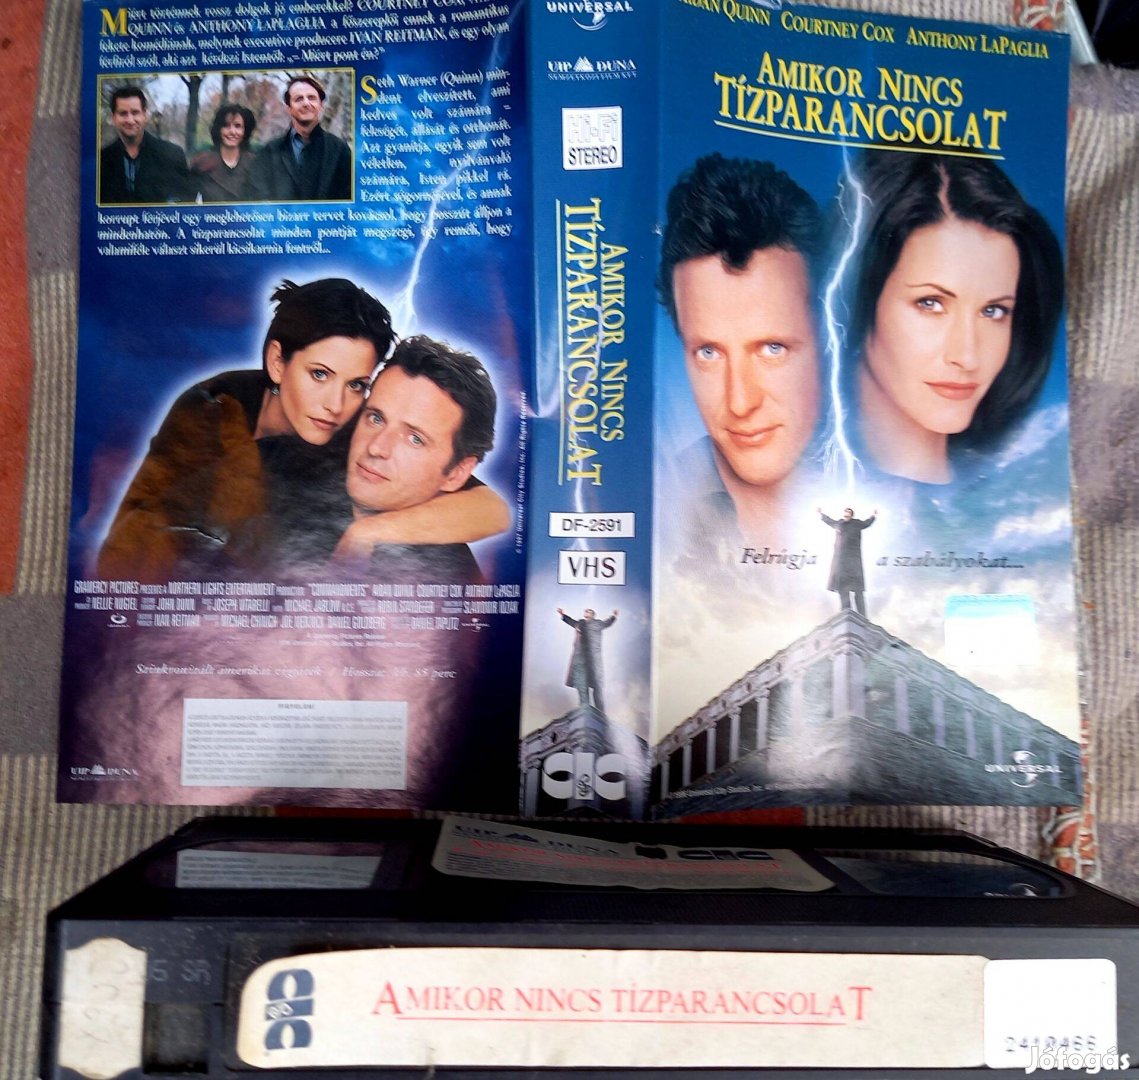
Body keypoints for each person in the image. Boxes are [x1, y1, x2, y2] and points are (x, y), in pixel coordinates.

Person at [97, 280, 506, 582]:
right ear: (278, 362)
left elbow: (490, 507)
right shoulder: (210, 413)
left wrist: (369, 533)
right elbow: (130, 544)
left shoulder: (358, 424)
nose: (335, 404)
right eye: (320, 374)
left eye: (356, 384)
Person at [838, 152, 1064, 485]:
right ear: (858, 298)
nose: (967, 357)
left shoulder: (1021, 495)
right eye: (930, 303)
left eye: (993, 311)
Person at [657, 153, 823, 540]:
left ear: (828, 338)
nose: (740, 403)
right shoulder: (656, 494)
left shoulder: (903, 495)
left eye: (772, 349)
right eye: (709, 353)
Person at [336, 335, 505, 580]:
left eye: (415, 439)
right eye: (376, 418)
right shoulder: (311, 454)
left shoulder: (453, 580)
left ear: (456, 473)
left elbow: (495, 510)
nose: (376, 448)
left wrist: (366, 533)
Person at [251, 75, 352, 201]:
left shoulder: (339, 150)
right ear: (289, 108)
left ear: (321, 105)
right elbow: (258, 198)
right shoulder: (270, 152)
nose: (306, 103)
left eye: (312, 98)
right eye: (299, 99)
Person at [99, 86, 191, 204]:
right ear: (113, 118)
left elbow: (185, 203)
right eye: (123, 113)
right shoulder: (101, 160)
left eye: (135, 113)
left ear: (144, 115)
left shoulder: (172, 155)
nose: (130, 120)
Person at [190, 104, 258, 202]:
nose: (232, 131)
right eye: (226, 126)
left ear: (245, 131)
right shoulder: (201, 163)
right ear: (218, 129)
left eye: (238, 126)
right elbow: (188, 203)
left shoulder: (255, 164)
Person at [557, 607, 618, 713]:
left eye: (589, 612)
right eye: (586, 611)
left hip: (593, 659)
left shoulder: (598, 624)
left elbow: (607, 623)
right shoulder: (580, 623)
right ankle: (584, 707)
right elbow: (571, 622)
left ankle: (600, 712)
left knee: (596, 686)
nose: (586, 613)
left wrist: (614, 616)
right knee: (582, 683)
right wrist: (563, 615)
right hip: (580, 658)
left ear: (593, 615)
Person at [819, 506, 877, 616]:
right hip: (841, 561)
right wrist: (821, 514)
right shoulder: (839, 524)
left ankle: (862, 615)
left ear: (851, 515)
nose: (846, 515)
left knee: (857, 589)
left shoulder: (857, 524)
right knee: (843, 587)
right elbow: (829, 521)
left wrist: (873, 516)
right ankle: (846, 612)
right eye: (845, 513)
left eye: (848, 513)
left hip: (854, 560)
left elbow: (867, 523)